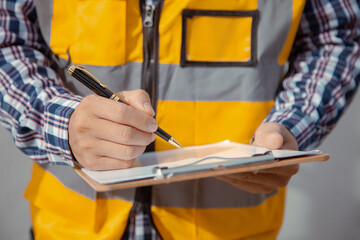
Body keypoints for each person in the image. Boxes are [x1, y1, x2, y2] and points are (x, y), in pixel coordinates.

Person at [0, 0, 359, 239]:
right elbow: (7, 39)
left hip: (229, 231)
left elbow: (337, 37)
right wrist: (62, 120)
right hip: (70, 229)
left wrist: (291, 126)